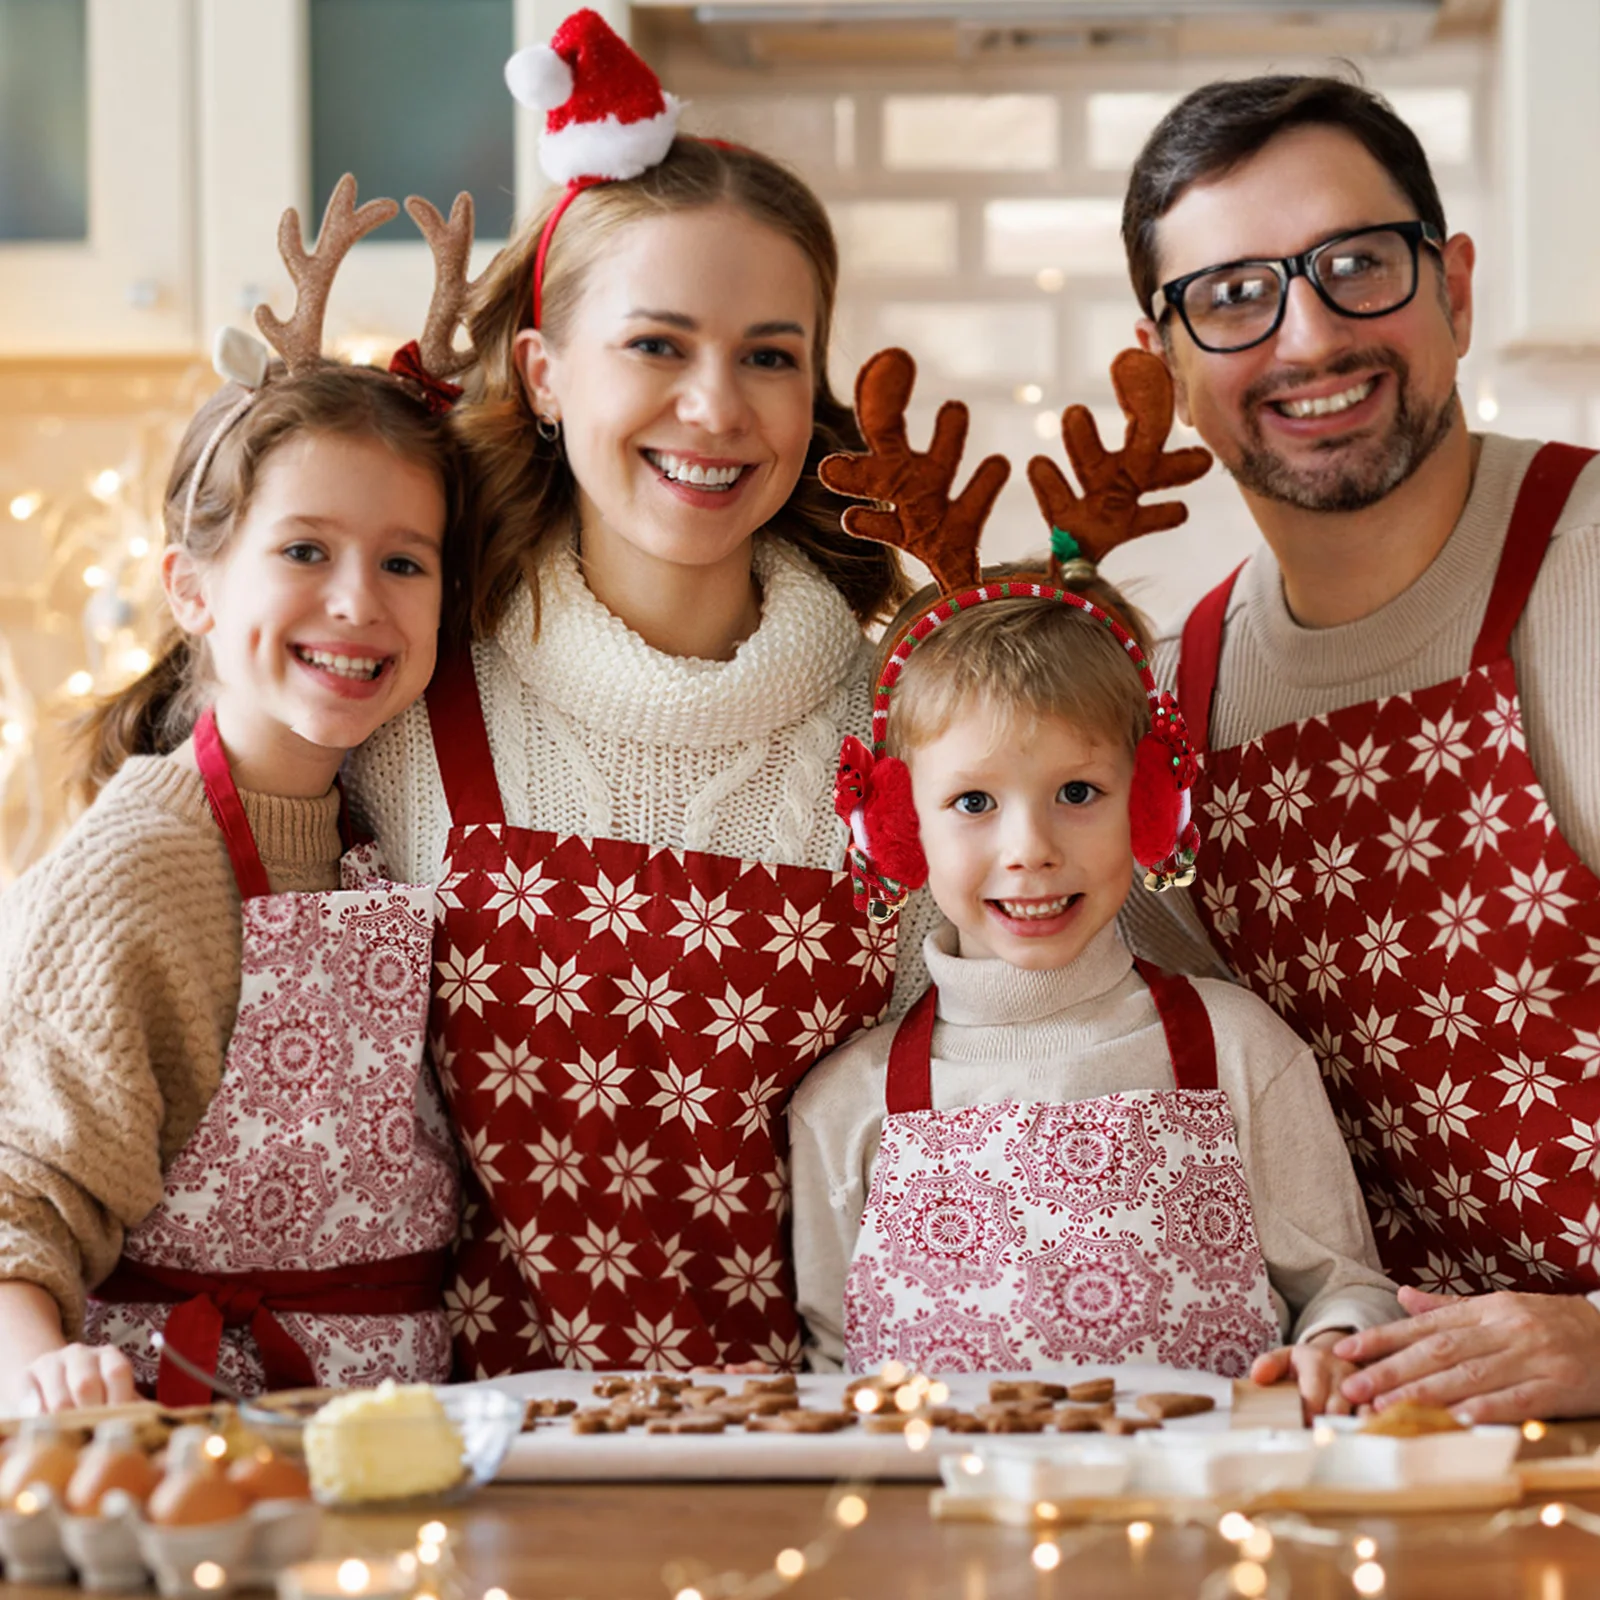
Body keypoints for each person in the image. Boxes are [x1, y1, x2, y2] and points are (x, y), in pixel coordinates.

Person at [347, 10, 931, 1378]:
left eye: (771, 355)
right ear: (545, 377)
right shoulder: (404, 708)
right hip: (477, 1467)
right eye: (657, 346)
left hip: (833, 1457)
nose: (718, 408)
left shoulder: (907, 719)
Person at [1118, 73, 1600, 1421]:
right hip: (1408, 1469)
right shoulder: (1164, 714)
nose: (1309, 334)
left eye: (1357, 266)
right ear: (1166, 366)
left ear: (1451, 286)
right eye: (1231, 296)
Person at [0, 179, 467, 1413]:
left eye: (403, 561)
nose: (359, 601)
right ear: (193, 588)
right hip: (194, 1432)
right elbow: (18, 1193)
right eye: (305, 549)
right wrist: (40, 1370)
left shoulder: (394, 819)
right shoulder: (148, 855)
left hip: (400, 1432)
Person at [789, 569, 1399, 1414]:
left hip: (1204, 1527)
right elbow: (829, 1370)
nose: (1030, 848)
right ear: (899, 825)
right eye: (973, 801)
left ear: (1149, 802)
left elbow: (1348, 1287)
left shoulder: (1234, 1044)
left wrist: (1334, 1345)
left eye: (1078, 793)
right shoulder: (844, 1104)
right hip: (944, 1535)